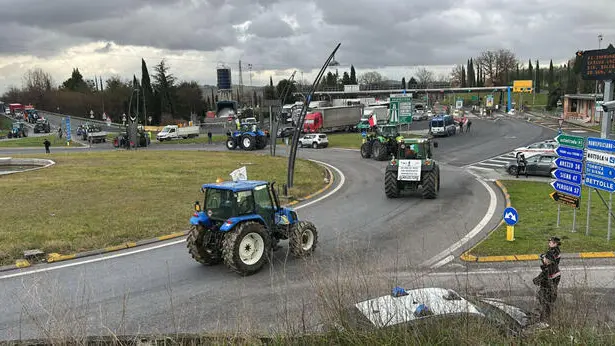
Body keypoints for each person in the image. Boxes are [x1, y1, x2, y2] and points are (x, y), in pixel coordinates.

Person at [533, 236, 561, 322]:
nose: (549, 243)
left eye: (550, 242)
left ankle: (544, 317)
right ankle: (547, 312)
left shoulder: (551, 254)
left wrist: (537, 279)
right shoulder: (557, 251)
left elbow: (547, 264)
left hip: (550, 277)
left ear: (555, 243)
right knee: (550, 294)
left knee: (544, 297)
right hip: (556, 275)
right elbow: (549, 261)